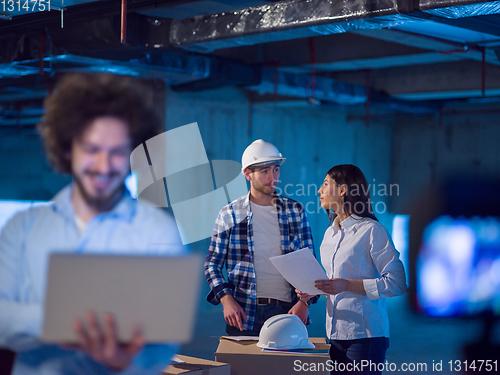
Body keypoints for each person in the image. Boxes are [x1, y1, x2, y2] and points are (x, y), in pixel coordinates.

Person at [0, 73, 184, 375]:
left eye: (117, 152)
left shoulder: (159, 232)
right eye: (91, 149)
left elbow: (164, 345)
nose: (103, 166)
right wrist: (66, 323)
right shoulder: (22, 228)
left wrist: (125, 362)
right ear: (67, 148)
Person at [297, 164, 407, 375]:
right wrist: (313, 291)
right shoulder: (330, 234)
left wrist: (346, 285)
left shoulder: (372, 231)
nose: (319, 190)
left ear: (343, 190)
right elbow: (332, 282)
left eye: (326, 183)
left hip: (366, 336)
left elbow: (397, 283)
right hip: (335, 334)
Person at [204, 139, 318, 336]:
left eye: (275, 170)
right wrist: (226, 299)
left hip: (286, 311)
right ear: (248, 174)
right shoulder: (229, 214)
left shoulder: (294, 210)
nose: (272, 177)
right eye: (264, 171)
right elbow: (212, 264)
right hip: (243, 311)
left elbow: (309, 264)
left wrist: (304, 303)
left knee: (281, 368)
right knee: (243, 367)